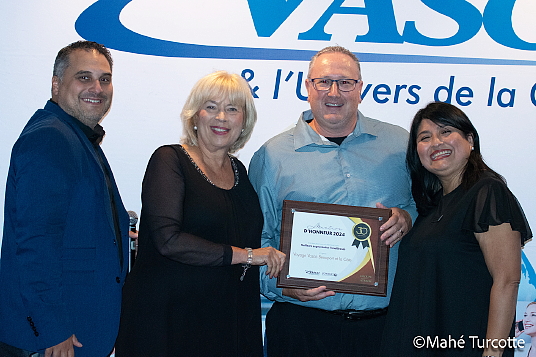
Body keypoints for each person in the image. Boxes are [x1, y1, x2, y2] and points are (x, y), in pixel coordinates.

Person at [248, 46, 416, 357]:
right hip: (301, 327)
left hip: (385, 329)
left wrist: (407, 217)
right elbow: (256, 243)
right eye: (323, 82)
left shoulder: (400, 144)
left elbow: (433, 213)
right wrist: (284, 287)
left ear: (361, 89)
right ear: (307, 87)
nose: (334, 92)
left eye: (346, 82)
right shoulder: (272, 157)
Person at [115, 70, 286, 357]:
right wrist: (247, 254)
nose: (222, 117)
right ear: (195, 115)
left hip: (226, 319)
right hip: (169, 321)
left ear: (244, 121)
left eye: (232, 109)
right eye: (211, 107)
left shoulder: (240, 172)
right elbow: (167, 241)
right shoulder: (169, 160)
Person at [0, 41, 130, 357]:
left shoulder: (75, 136)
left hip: (78, 331)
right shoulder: (51, 138)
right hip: (57, 341)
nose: (97, 88)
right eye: (83, 77)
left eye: (105, 79)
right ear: (56, 85)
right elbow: (35, 244)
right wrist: (53, 330)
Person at [381, 101, 532, 357]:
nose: (436, 143)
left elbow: (507, 281)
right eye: (425, 137)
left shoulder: (487, 192)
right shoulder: (431, 206)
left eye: (446, 132)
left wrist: (493, 353)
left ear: (470, 139)